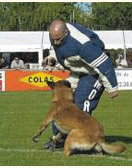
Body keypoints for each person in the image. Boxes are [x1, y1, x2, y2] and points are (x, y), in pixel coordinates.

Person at [44, 19, 118, 150]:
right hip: (78, 70)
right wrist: (52, 58)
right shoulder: (55, 35)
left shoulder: (83, 45)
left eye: (58, 39)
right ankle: (57, 139)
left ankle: (85, 139)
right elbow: (55, 49)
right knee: (60, 103)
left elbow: (104, 63)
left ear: (66, 32)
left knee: (81, 103)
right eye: (53, 39)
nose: (55, 42)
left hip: (94, 73)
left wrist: (112, 87)